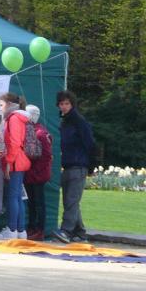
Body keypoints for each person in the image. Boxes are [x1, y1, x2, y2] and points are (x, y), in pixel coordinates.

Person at [54, 90, 96, 243]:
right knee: (70, 201)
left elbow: (90, 144)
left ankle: (66, 231)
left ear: (72, 104)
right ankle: (80, 232)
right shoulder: (65, 122)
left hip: (79, 165)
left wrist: (91, 166)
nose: (64, 107)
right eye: (61, 104)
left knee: (71, 200)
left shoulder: (79, 121)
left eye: (67, 104)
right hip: (69, 165)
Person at [0, 93, 31, 240]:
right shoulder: (18, 118)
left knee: (13, 197)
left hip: (15, 162)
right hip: (19, 161)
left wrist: (8, 162)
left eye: (1, 105)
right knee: (18, 197)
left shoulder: (14, 118)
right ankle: (20, 230)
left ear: (9, 104)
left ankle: (12, 229)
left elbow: (14, 143)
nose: (0, 108)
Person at [23, 105, 52, 241]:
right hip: (31, 173)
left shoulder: (40, 133)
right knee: (32, 203)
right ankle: (32, 227)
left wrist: (35, 171)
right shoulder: (33, 131)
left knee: (39, 202)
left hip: (37, 175)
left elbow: (46, 156)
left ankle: (40, 230)